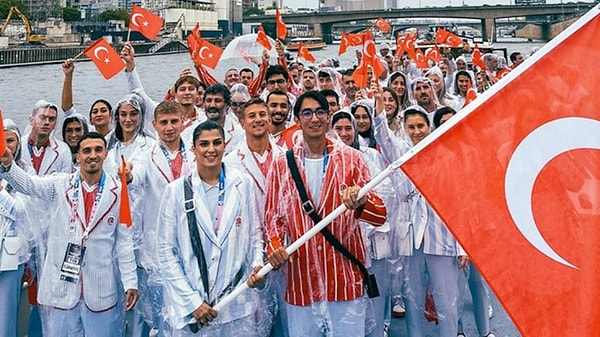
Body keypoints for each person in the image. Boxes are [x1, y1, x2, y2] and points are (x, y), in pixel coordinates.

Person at [265, 91, 387, 337]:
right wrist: (275, 248)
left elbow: (380, 215)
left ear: (328, 116)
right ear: (297, 119)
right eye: (306, 113)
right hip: (302, 280)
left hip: (344, 278)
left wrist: (362, 201)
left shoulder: (352, 160)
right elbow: (272, 219)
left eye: (320, 112)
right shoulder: (282, 164)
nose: (314, 118)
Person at [0, 132, 139, 337]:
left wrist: (130, 282)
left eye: (98, 150)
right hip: (61, 286)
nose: (93, 155)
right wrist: (9, 165)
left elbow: (124, 242)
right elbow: (30, 185)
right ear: (78, 157)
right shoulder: (60, 185)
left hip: (101, 288)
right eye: (87, 151)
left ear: (105, 154)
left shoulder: (119, 191)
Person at [373, 79, 467, 337]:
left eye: (420, 126)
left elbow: (459, 204)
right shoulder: (403, 154)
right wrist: (380, 105)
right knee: (412, 299)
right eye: (411, 127)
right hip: (411, 240)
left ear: (429, 127)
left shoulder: (447, 158)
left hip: (443, 240)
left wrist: (463, 246)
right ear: (405, 129)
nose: (416, 131)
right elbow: (383, 135)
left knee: (447, 301)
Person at [157, 121, 266, 336]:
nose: (211, 149)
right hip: (192, 308)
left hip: (236, 305)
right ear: (193, 149)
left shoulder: (243, 184)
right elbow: (165, 251)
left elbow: (255, 236)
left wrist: (257, 266)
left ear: (225, 145)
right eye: (204, 144)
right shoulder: (176, 191)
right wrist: (192, 302)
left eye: (217, 143)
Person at [126, 100, 196, 336]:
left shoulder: (196, 154)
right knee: (163, 315)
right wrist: (128, 176)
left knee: (191, 311)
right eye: (164, 122)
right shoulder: (145, 156)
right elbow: (135, 173)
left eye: (174, 121)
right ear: (154, 125)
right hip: (157, 248)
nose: (169, 127)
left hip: (192, 245)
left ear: (182, 122)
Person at [223, 98, 286, 336]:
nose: (258, 119)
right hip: (247, 246)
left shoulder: (286, 156)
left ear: (270, 119)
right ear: (242, 123)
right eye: (252, 116)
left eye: (263, 114)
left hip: (283, 245)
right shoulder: (230, 162)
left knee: (285, 312)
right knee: (253, 315)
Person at [330, 111, 395, 337]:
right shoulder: (328, 160)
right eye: (338, 129)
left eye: (349, 128)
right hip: (342, 242)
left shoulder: (370, 155)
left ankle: (379, 329)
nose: (344, 133)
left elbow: (383, 195)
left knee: (376, 294)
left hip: (372, 239)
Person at [0, 117, 32, 337]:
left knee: (5, 318)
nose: (5, 146)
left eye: (9, 140)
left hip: (11, 255)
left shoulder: (24, 172)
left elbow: (21, 211)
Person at [183, 84, 245, 156]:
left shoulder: (240, 134)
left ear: (227, 105)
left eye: (217, 101)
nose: (212, 105)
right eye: (209, 101)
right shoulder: (189, 132)